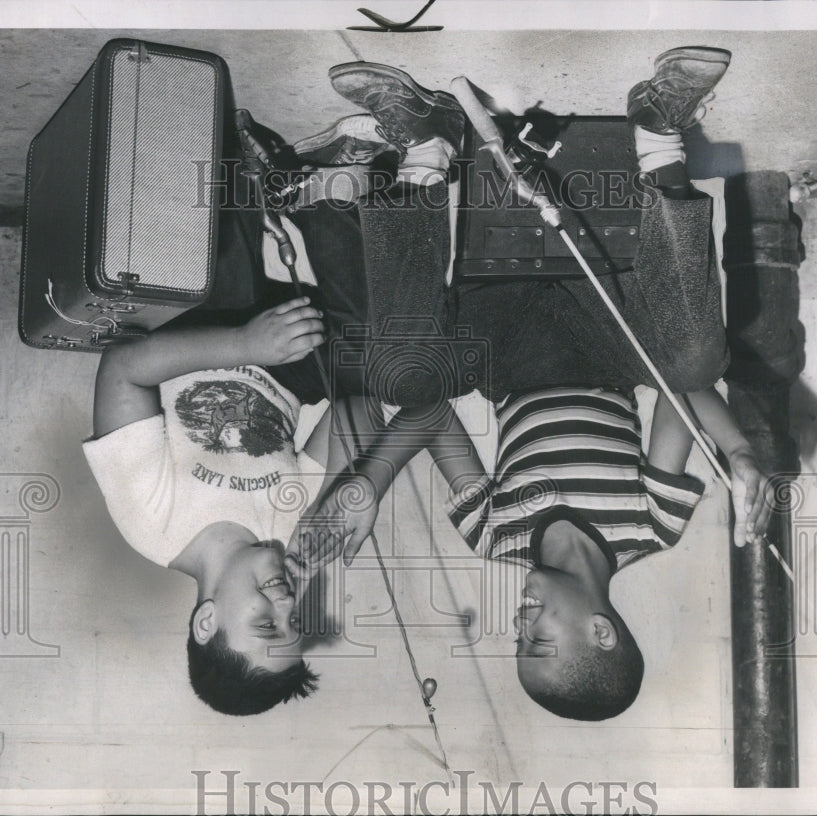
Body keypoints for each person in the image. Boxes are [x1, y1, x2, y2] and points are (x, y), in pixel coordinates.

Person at [294, 47, 774, 721]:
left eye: (517, 638)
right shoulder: (652, 527)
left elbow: (431, 417)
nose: (520, 621)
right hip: (606, 344)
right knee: (696, 362)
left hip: (506, 351)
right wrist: (741, 453)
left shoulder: (493, 538)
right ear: (600, 630)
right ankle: (660, 133)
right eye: (538, 637)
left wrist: (369, 482)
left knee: (403, 377)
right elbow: (678, 394)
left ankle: (425, 143)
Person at [82, 64, 469, 716]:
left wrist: (243, 347)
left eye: (265, 623)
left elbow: (123, 368)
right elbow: (356, 409)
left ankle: (317, 185)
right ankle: (373, 169)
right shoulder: (291, 543)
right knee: (409, 367)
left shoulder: (152, 524)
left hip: (193, 329)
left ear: (207, 622)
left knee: (200, 184)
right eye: (294, 624)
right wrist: (361, 487)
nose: (287, 604)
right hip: (285, 355)